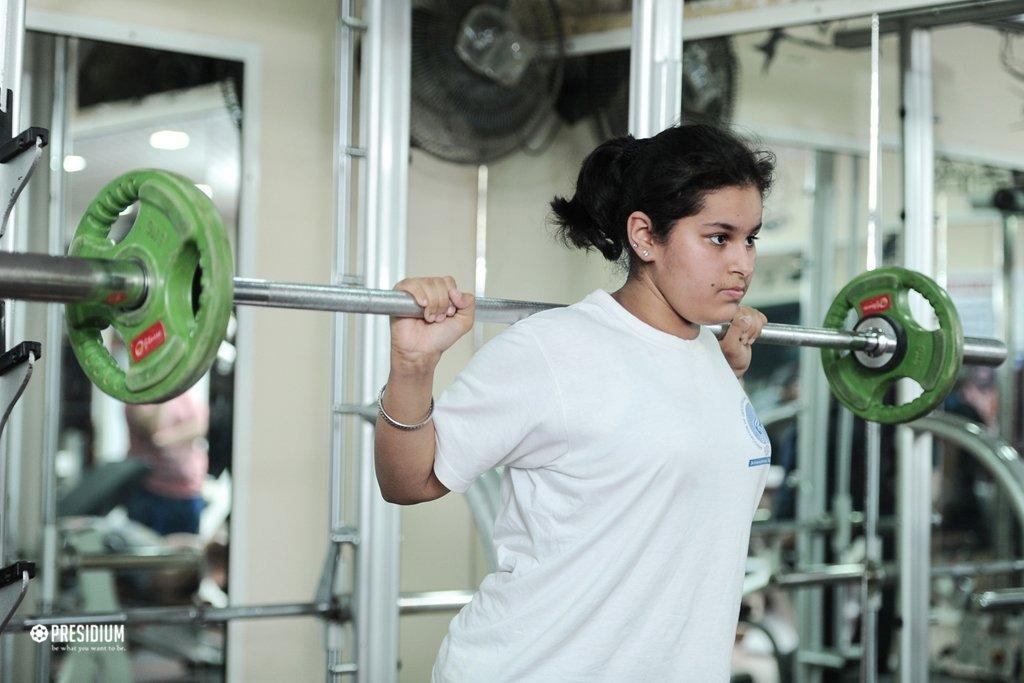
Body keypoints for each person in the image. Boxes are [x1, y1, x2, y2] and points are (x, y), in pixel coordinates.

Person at [375, 123, 775, 681]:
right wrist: (413, 367)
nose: (743, 264)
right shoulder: (553, 349)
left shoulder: (708, 353)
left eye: (750, 238)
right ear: (644, 236)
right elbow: (408, 482)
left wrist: (725, 371)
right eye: (718, 237)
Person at [125, 389, 210, 536]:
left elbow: (200, 426)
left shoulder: (185, 395)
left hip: (189, 493)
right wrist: (163, 394)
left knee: (185, 553)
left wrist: (168, 437)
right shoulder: (138, 397)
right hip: (151, 494)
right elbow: (153, 430)